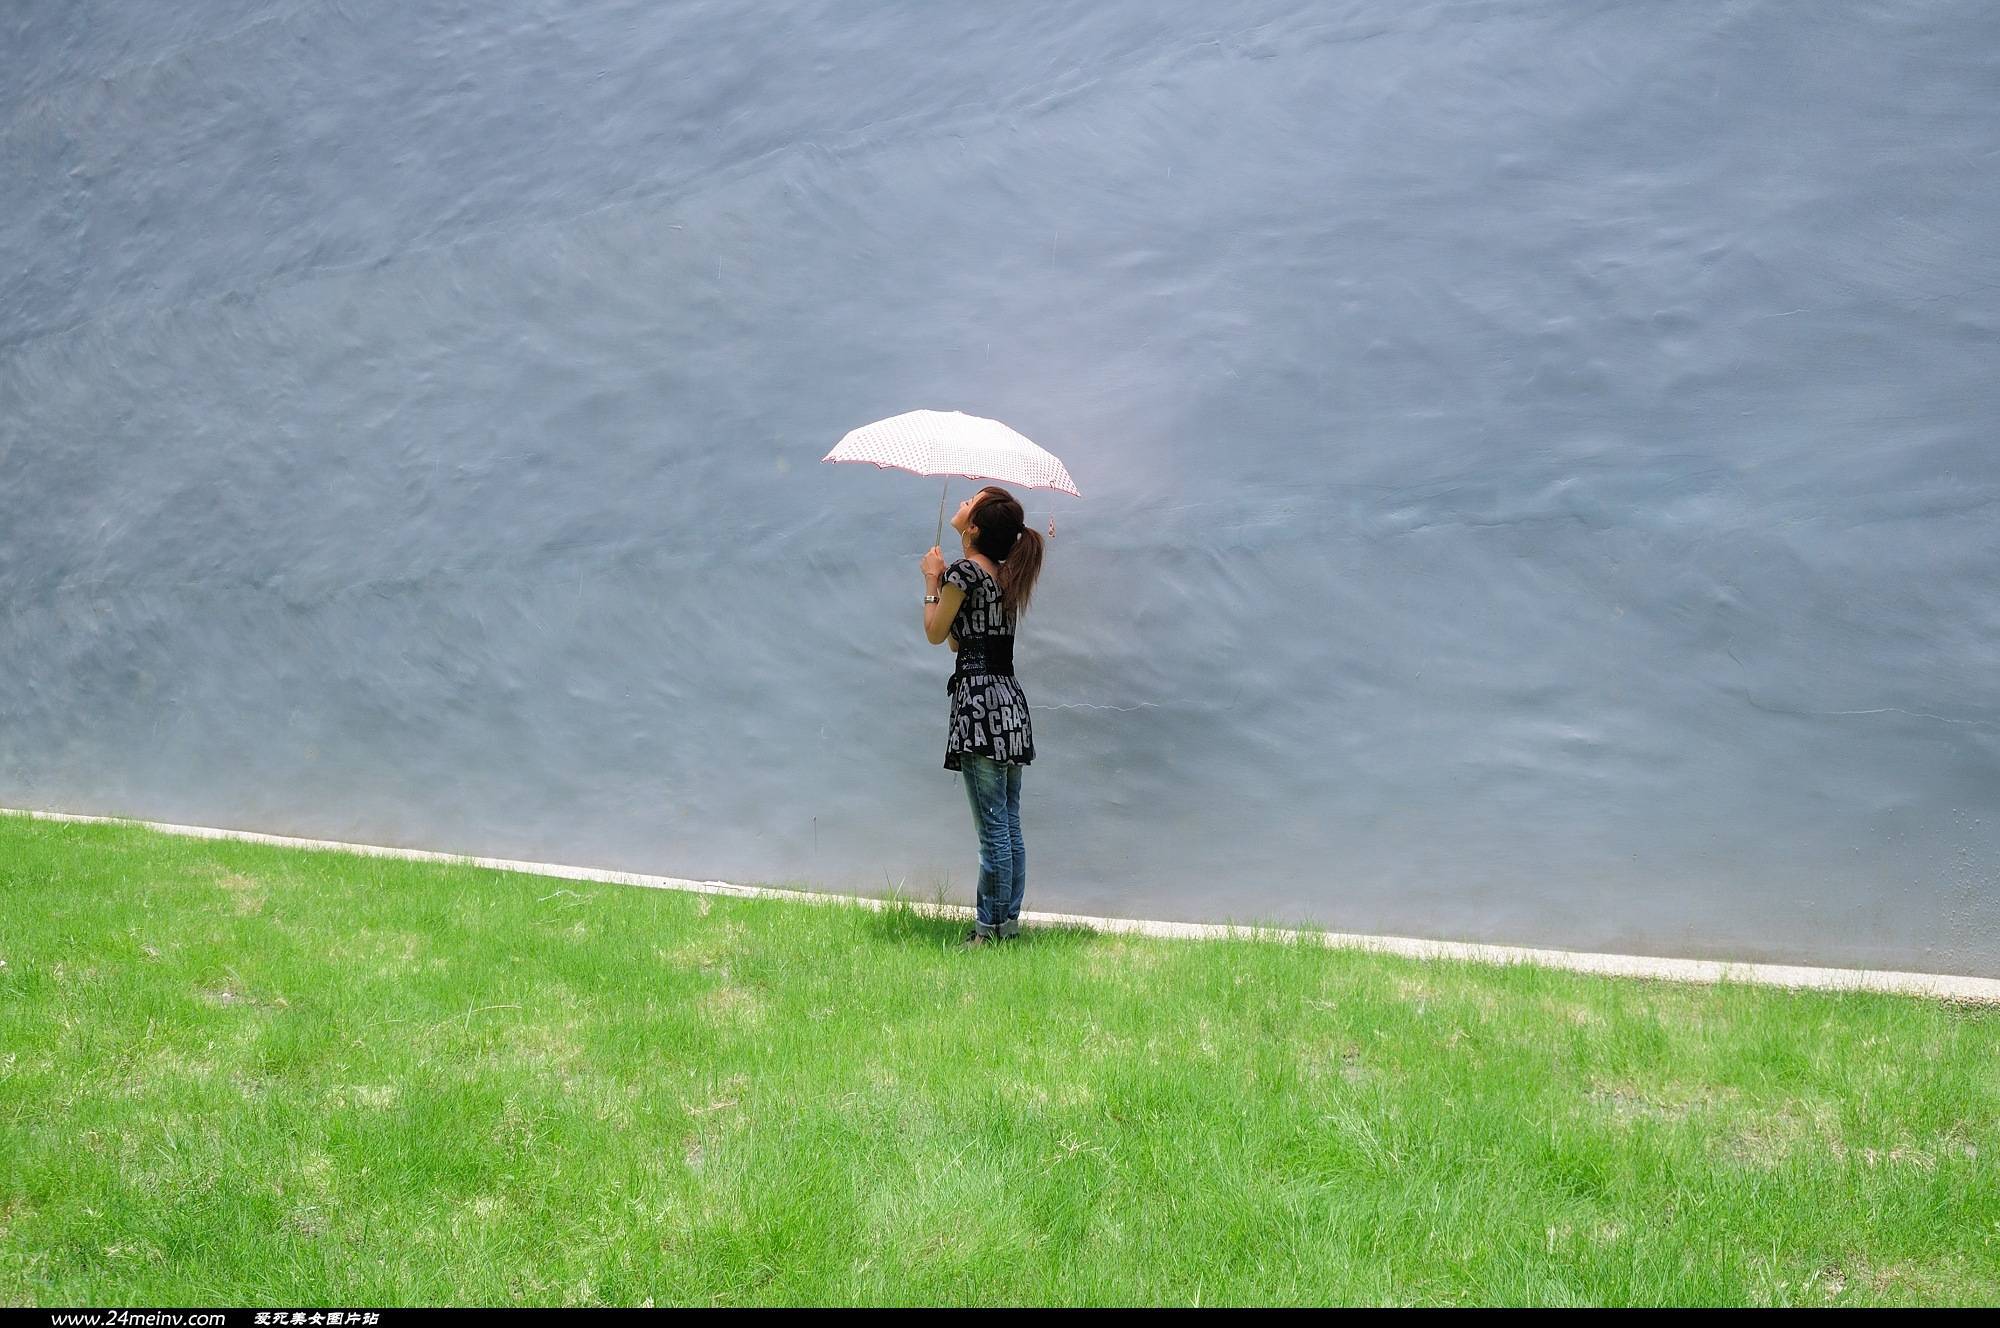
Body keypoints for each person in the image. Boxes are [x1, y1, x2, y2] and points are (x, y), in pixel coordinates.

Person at [920, 486, 1046, 949]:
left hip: (979, 708)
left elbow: (935, 634)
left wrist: (932, 581)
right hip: (1008, 704)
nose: (960, 503)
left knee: (992, 827)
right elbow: (961, 639)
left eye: (968, 502)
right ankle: (1006, 924)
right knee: (1008, 823)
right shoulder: (1002, 575)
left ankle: (987, 933)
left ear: (973, 527)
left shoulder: (963, 573)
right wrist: (946, 580)